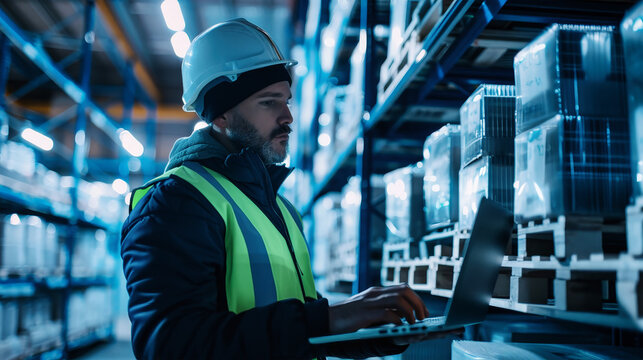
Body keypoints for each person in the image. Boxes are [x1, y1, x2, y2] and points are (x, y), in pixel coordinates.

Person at [121, 18, 454, 359]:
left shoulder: (280, 209)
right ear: (221, 115)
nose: (288, 118)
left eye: (287, 101)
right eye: (269, 102)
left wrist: (383, 332)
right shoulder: (173, 204)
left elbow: (299, 332)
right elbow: (170, 346)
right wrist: (329, 317)